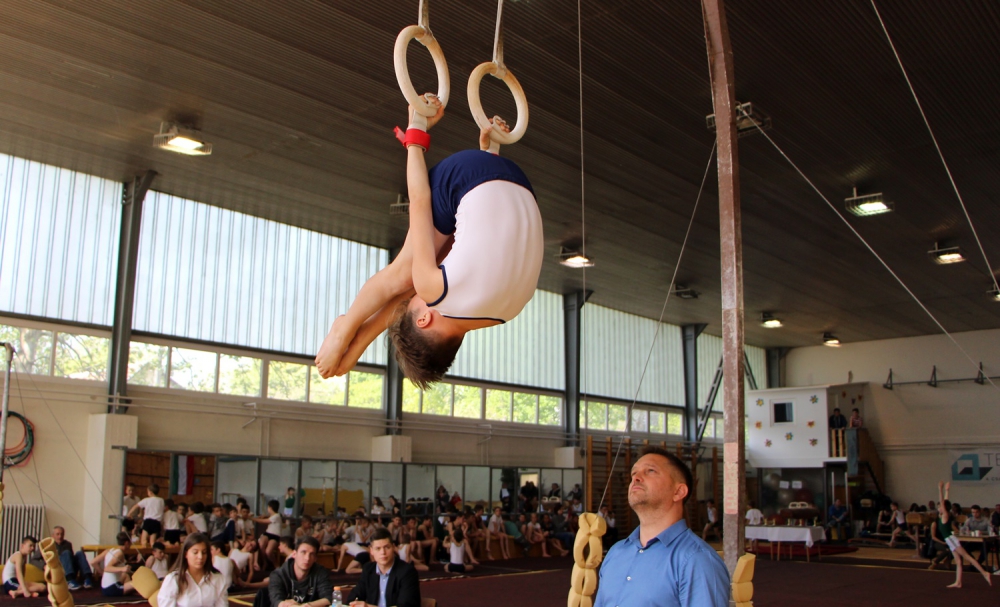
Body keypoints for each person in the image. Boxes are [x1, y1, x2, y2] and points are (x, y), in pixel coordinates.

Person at [314, 99, 543, 390]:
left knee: (430, 271)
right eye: (412, 306)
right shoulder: (437, 291)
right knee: (403, 276)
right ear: (423, 320)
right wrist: (415, 134)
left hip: (516, 180)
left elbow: (487, 241)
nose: (411, 297)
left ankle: (358, 339)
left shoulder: (503, 315)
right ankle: (345, 331)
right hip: (465, 176)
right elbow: (420, 199)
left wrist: (491, 152)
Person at [594, 446, 730, 607]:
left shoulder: (697, 560)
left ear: (678, 492)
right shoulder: (616, 553)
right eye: (634, 473)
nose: (636, 477)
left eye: (650, 471)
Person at [935, 482, 991, 588]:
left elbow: (943, 502)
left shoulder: (945, 515)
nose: (939, 508)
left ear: (943, 508)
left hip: (951, 539)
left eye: (940, 507)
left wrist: (940, 489)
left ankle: (984, 573)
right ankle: (958, 582)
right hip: (950, 540)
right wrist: (947, 491)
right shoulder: (944, 514)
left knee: (966, 557)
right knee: (958, 561)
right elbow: (945, 502)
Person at [346, 528, 421, 607]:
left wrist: (368, 606)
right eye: (378, 549)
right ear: (371, 551)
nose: (383, 553)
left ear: (393, 548)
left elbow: (406, 606)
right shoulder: (368, 569)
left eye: (387, 547)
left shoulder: (407, 572)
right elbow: (352, 598)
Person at [158, 533, 227, 607]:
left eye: (204, 552)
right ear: (186, 554)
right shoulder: (174, 579)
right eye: (195, 552)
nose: (200, 557)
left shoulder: (218, 578)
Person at [268, 537, 332, 607]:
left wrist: (308, 605)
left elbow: (328, 598)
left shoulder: (320, 572)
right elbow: (276, 601)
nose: (307, 558)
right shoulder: (278, 574)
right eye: (303, 552)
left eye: (312, 554)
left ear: (315, 559)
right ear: (294, 554)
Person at [48, 526, 95, 590]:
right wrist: (44, 565)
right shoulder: (48, 545)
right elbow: (34, 560)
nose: (60, 536)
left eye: (62, 534)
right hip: (58, 570)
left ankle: (87, 578)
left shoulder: (68, 544)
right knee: (66, 553)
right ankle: (69, 581)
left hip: (70, 569)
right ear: (52, 535)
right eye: (57, 534)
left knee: (79, 553)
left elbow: (71, 559)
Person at [95, 532, 136, 597]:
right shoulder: (119, 553)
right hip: (112, 589)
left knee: (126, 576)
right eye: (130, 543)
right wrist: (122, 569)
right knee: (138, 583)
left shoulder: (110, 550)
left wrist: (103, 574)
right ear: (126, 543)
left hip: (104, 588)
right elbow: (107, 568)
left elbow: (93, 562)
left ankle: (127, 592)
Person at [255, 500, 282, 567]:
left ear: (270, 508)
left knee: (268, 551)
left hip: (275, 535)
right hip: (267, 533)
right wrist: (264, 516)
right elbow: (268, 517)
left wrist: (252, 519)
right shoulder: (272, 515)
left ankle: (276, 565)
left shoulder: (277, 516)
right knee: (261, 545)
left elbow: (265, 521)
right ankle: (264, 562)